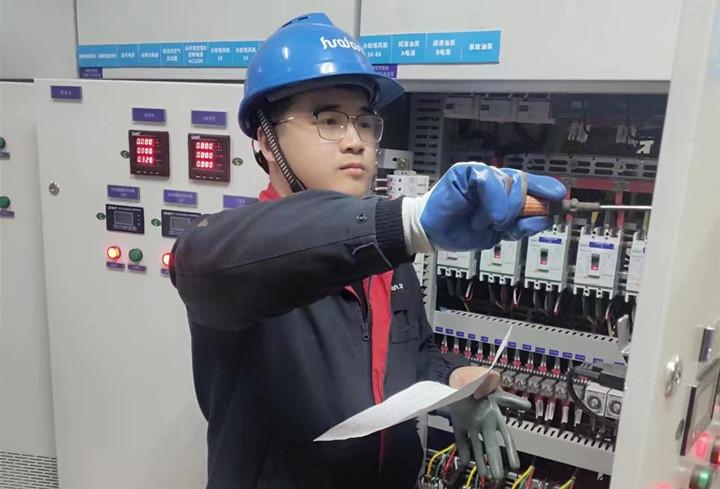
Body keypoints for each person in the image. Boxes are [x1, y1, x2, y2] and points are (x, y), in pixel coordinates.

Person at [170, 12, 566, 489]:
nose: (356, 141)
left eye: (364, 122)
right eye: (329, 120)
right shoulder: (231, 256)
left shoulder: (386, 257)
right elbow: (207, 263)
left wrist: (452, 380)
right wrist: (406, 222)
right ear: (266, 141)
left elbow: (412, 355)